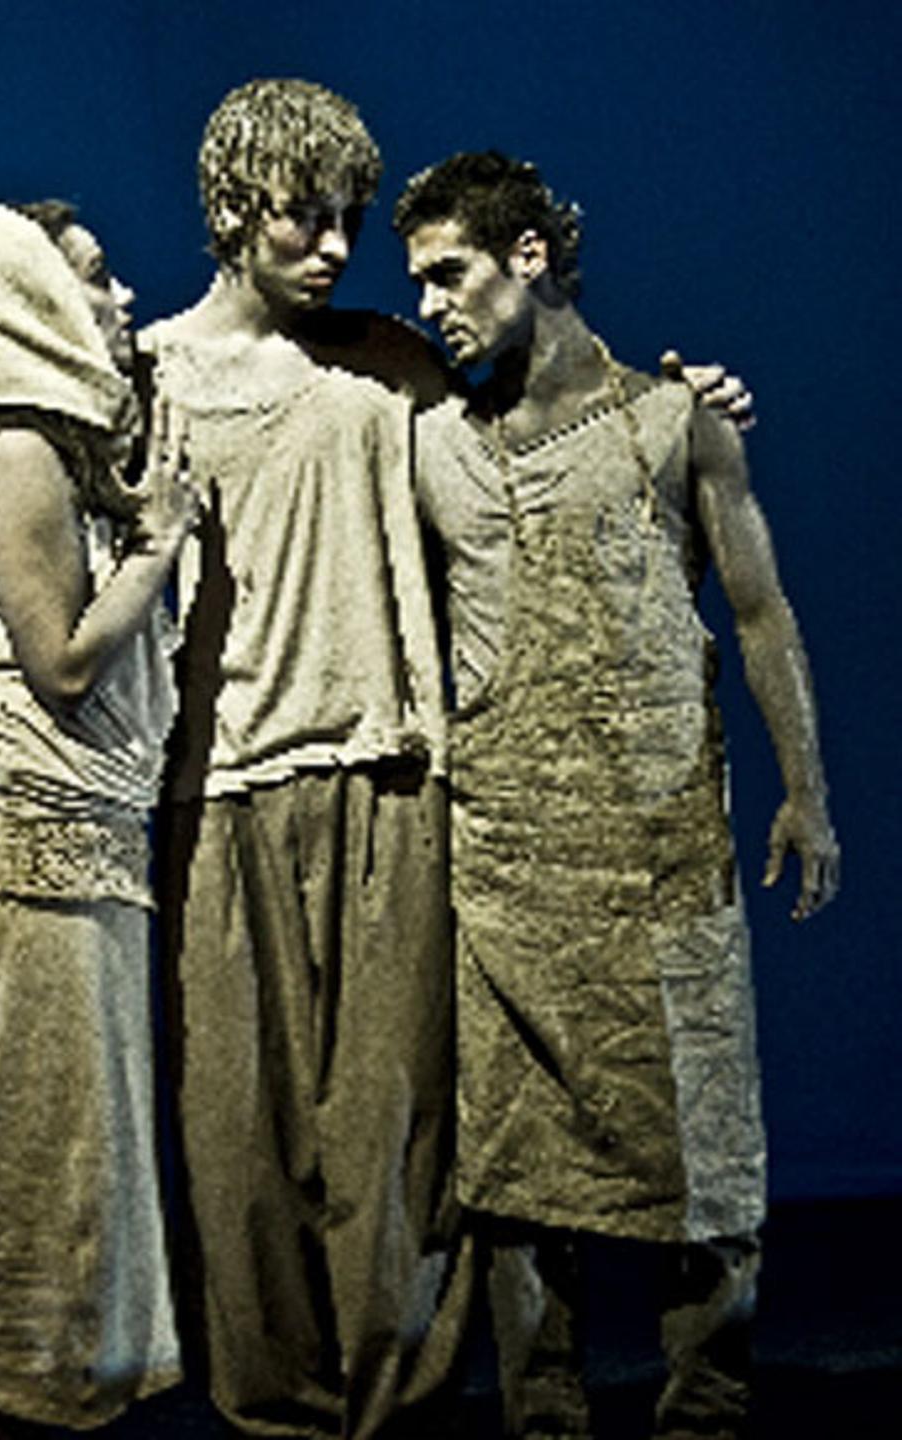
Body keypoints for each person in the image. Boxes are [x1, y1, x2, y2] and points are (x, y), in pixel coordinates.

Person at [393, 151, 840, 1438]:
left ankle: (705, 1416)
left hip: (658, 853)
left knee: (706, 1157)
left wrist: (806, 791)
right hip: (508, 863)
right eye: (418, 281)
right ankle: (544, 1423)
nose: (430, 304)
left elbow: (758, 610)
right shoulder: (435, 448)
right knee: (517, 1175)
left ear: (528, 255)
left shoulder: (672, 422)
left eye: (451, 273)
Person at [140, 79, 473, 1440]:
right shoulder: (146, 378)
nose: (334, 247)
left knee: (393, 1136)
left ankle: (398, 1413)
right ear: (232, 209)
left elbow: (519, 466)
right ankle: (275, 1414)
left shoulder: (388, 362)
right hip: (216, 791)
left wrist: (680, 413)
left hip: (391, 774)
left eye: (348, 220)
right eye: (303, 218)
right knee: (237, 1148)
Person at [0, 201, 195, 1437]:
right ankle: (11, 1404)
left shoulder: (12, 445)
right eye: (92, 277)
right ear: (28, 304)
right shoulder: (19, 447)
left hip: (68, 849)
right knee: (36, 1184)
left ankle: (45, 1400)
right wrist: (159, 544)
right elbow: (65, 664)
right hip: (33, 855)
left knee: (67, 1177)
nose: (120, 296)